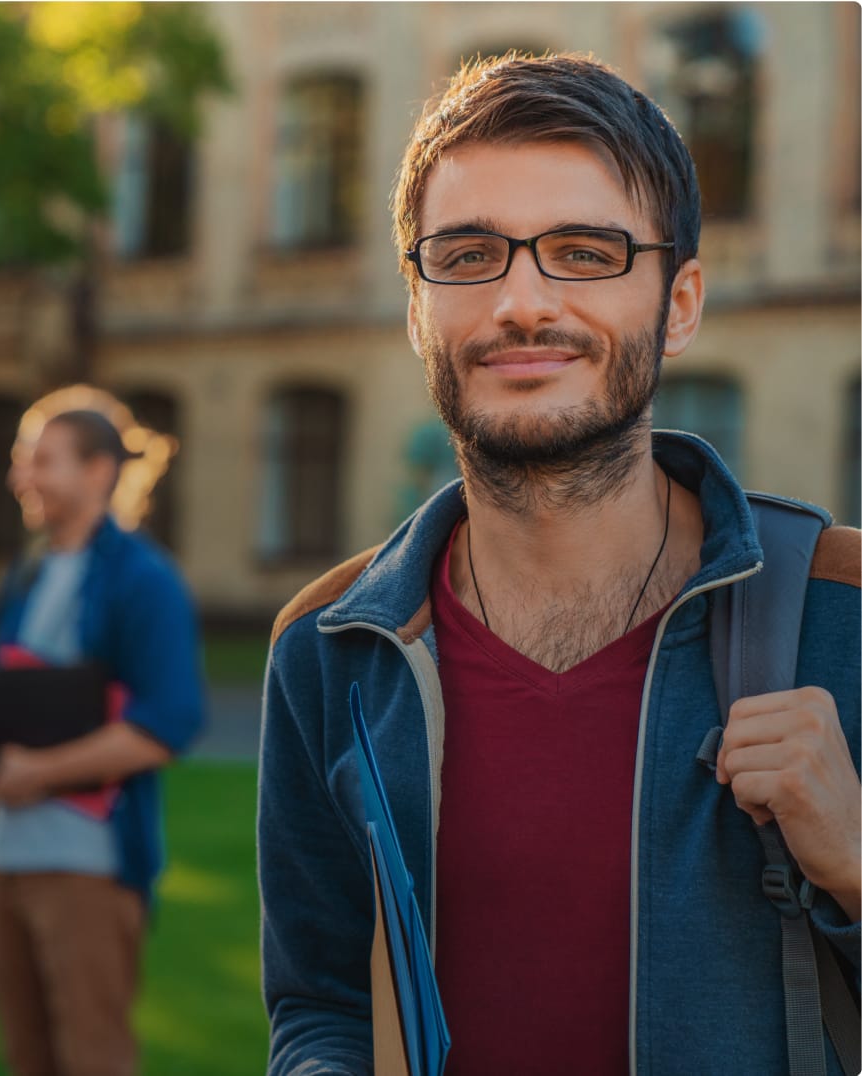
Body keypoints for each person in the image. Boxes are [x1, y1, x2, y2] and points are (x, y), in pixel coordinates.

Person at [257, 53, 860, 1075]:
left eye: (584, 252)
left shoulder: (842, 614)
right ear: (417, 307)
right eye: (468, 253)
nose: (520, 301)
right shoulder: (329, 648)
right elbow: (319, 1004)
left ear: (678, 302)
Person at [0, 408, 205, 1076]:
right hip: (0, 856)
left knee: (92, 1059)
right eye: (21, 459)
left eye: (42, 460)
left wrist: (39, 771)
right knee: (25, 1059)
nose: (20, 476)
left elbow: (170, 722)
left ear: (98, 471)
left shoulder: (145, 580)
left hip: (86, 867)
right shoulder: (30, 571)